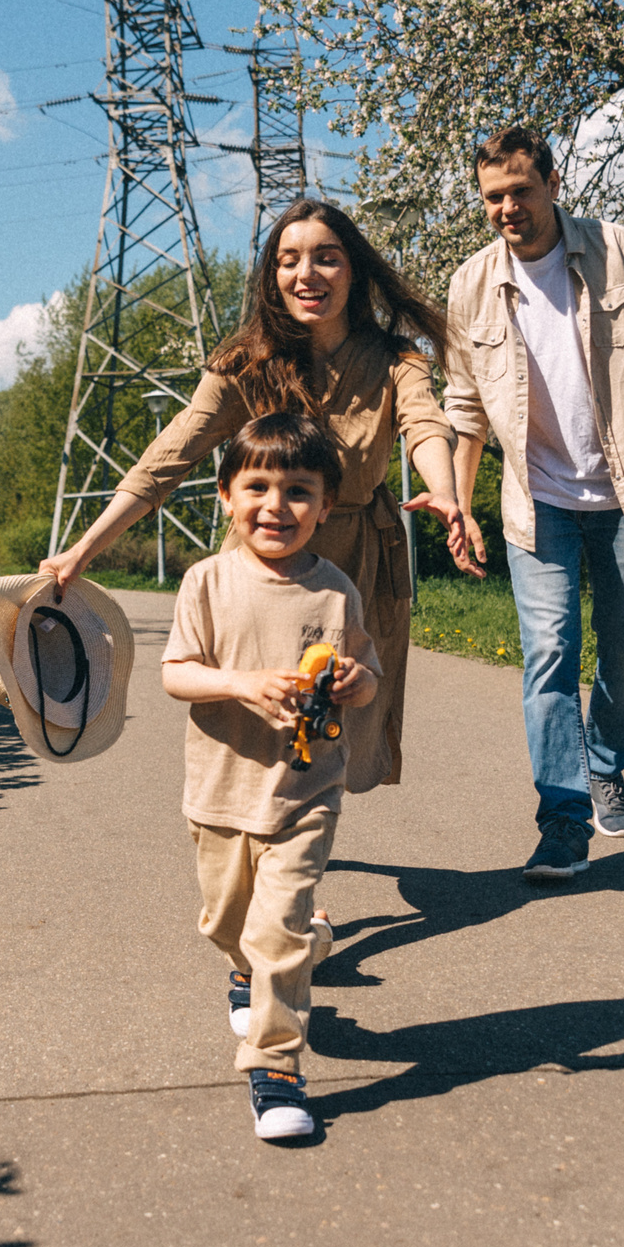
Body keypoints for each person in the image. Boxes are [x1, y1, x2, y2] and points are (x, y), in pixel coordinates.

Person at [41, 199, 468, 794]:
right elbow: (167, 457)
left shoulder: (396, 359)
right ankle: (259, 830)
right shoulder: (245, 364)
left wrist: (444, 491)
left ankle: (299, 826)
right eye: (289, 261)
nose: (307, 275)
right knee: (255, 704)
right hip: (261, 560)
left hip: (359, 557)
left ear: (354, 270)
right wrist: (82, 550)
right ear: (272, 276)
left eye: (327, 258)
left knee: (341, 710)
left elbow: (426, 424)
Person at [442, 127, 624, 884]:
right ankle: (562, 821)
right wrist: (459, 506)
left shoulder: (619, 250)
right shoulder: (471, 284)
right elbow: (463, 406)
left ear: (554, 182)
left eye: (520, 191)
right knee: (549, 652)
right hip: (539, 499)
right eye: (493, 197)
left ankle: (603, 763)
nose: (507, 209)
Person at [161, 411, 380, 1140]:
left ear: (323, 506)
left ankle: (275, 1067)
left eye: (298, 491)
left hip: (305, 790)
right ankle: (267, 959)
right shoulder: (207, 580)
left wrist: (356, 681)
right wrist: (240, 683)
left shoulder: (335, 590)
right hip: (221, 790)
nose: (275, 506)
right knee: (229, 922)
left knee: (276, 926)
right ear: (226, 494)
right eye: (257, 485)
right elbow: (176, 674)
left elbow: (367, 669)